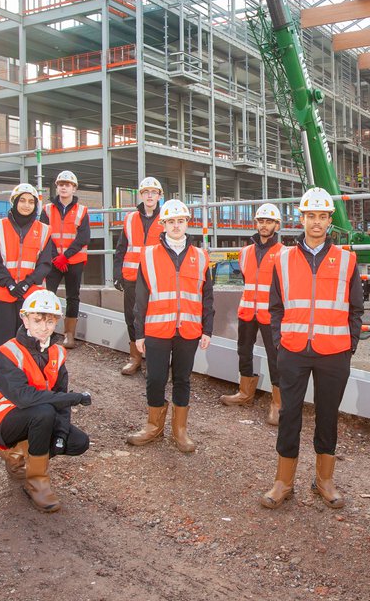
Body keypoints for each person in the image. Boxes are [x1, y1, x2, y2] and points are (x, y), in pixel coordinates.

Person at [261, 188, 364, 510]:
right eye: (310, 216)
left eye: (322, 216)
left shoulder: (347, 260)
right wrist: (279, 342)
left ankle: (324, 479)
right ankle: (283, 481)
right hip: (292, 350)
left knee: (328, 415)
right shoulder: (283, 259)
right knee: (289, 414)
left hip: (334, 352)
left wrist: (349, 346)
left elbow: (357, 309)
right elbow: (274, 307)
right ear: (301, 219)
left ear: (329, 221)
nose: (316, 222)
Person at [0, 289, 92, 513]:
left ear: (56, 322)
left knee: (78, 442)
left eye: (50, 321)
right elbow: (25, 398)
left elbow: (59, 396)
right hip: (0, 420)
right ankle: (35, 481)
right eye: (37, 320)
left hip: (36, 414)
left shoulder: (56, 353)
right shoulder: (8, 352)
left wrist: (60, 434)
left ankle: (24, 453)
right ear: (24, 319)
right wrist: (73, 398)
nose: (44, 327)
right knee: (43, 412)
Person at [126, 199, 214, 453]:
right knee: (155, 379)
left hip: (188, 329)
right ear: (162, 225)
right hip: (157, 329)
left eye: (181, 221)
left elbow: (207, 295)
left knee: (182, 379)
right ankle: (153, 426)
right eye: (171, 221)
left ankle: (180, 431)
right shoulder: (149, 255)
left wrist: (207, 328)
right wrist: (139, 333)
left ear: (187, 223)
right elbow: (140, 298)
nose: (176, 226)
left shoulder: (200, 256)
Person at [220, 202, 284, 424]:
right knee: (243, 351)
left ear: (277, 225)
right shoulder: (245, 252)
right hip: (247, 310)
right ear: (256, 223)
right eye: (261, 221)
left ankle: (277, 403)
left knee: (275, 357)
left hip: (270, 314)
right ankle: (245, 392)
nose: (264, 225)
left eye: (269, 221)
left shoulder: (283, 253)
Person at [0, 183, 54, 350]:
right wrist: (9, 283)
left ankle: (27, 375)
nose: (26, 205)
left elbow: (45, 264)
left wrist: (25, 284)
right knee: (3, 343)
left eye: (31, 202)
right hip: (3, 293)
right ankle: (0, 374)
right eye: (22, 200)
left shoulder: (44, 230)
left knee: (30, 342)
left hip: (31, 296)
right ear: (14, 202)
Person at [113, 176, 164, 375]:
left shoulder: (166, 219)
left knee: (154, 319)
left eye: (153, 192)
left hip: (155, 280)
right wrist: (117, 274)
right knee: (132, 317)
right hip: (131, 278)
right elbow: (120, 249)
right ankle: (135, 358)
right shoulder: (130, 218)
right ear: (141, 195)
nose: (149, 196)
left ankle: (153, 360)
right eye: (145, 192)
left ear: (159, 195)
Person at [40, 170, 91, 350]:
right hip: (53, 262)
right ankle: (46, 331)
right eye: (61, 184)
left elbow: (83, 237)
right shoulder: (47, 210)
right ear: (57, 187)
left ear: (74, 189)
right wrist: (56, 257)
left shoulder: (82, 210)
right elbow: (43, 234)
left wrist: (65, 256)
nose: (63, 187)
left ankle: (69, 335)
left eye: (67, 184)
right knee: (48, 295)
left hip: (74, 261)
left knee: (73, 296)